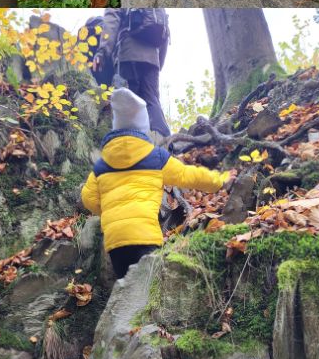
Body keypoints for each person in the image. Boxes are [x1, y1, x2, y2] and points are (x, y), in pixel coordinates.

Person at [81, 88, 234, 279]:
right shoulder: (155, 157)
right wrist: (218, 181)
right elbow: (188, 175)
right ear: (142, 126)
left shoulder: (101, 165)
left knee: (125, 288)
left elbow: (88, 199)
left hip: (115, 241)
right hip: (145, 236)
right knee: (146, 290)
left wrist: (109, 211)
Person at [95, 9, 170, 137]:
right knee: (152, 101)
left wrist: (102, 52)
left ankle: (130, 144)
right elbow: (164, 32)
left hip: (128, 55)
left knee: (128, 102)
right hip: (152, 59)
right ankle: (164, 142)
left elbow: (111, 21)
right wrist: (158, 63)